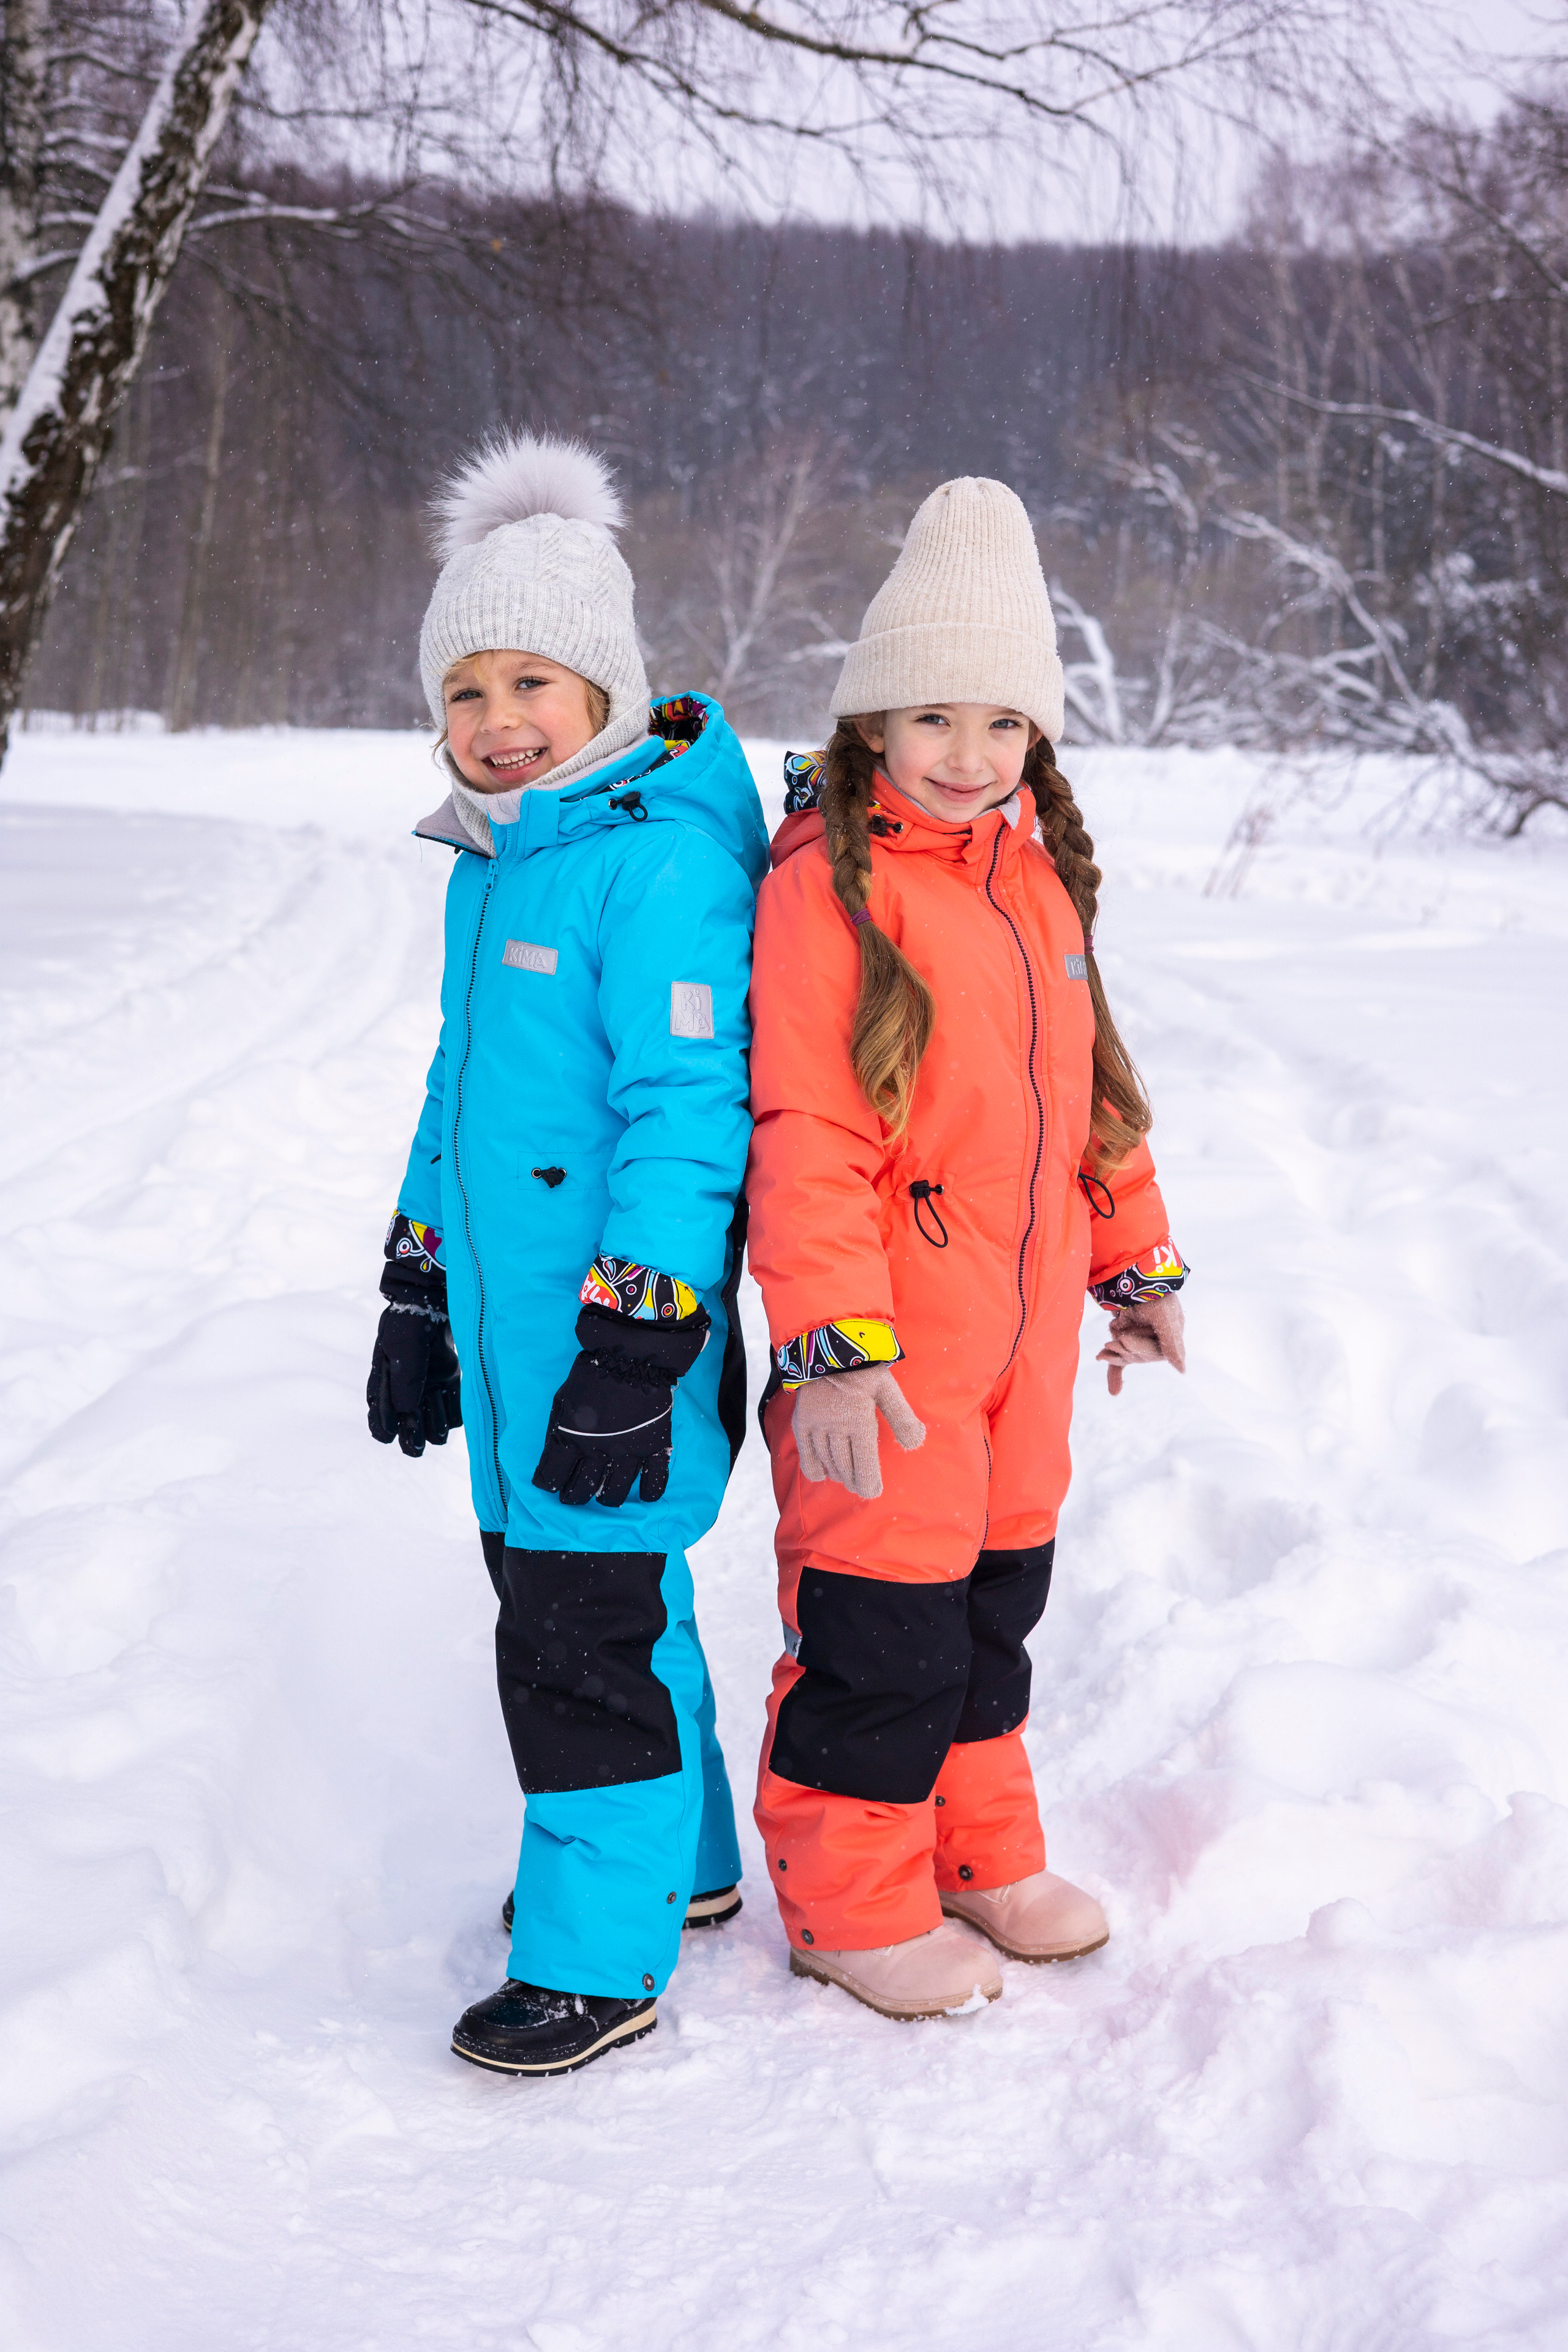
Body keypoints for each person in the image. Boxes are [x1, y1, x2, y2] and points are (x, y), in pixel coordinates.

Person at [744, 476, 1189, 2020]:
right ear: (870, 723)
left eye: (999, 724)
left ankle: (976, 1853)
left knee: (988, 1616)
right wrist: (831, 1353)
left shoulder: (1034, 880)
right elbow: (805, 1137)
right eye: (931, 718)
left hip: (1020, 1363)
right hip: (885, 1362)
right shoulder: (826, 887)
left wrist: (1134, 1268)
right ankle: (845, 1900)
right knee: (876, 1633)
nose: (965, 755)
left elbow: (1086, 1102)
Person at [366, 433, 768, 2074]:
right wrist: (415, 1285)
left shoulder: (658, 865)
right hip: (520, 1337)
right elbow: (462, 1096)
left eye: (535, 678)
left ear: (607, 690)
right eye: (465, 689)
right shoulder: (501, 856)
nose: (497, 718)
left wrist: (640, 1346)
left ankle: (596, 1961)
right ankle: (682, 1872)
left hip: (613, 1349)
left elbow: (690, 1117)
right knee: (613, 1612)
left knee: (575, 1648)